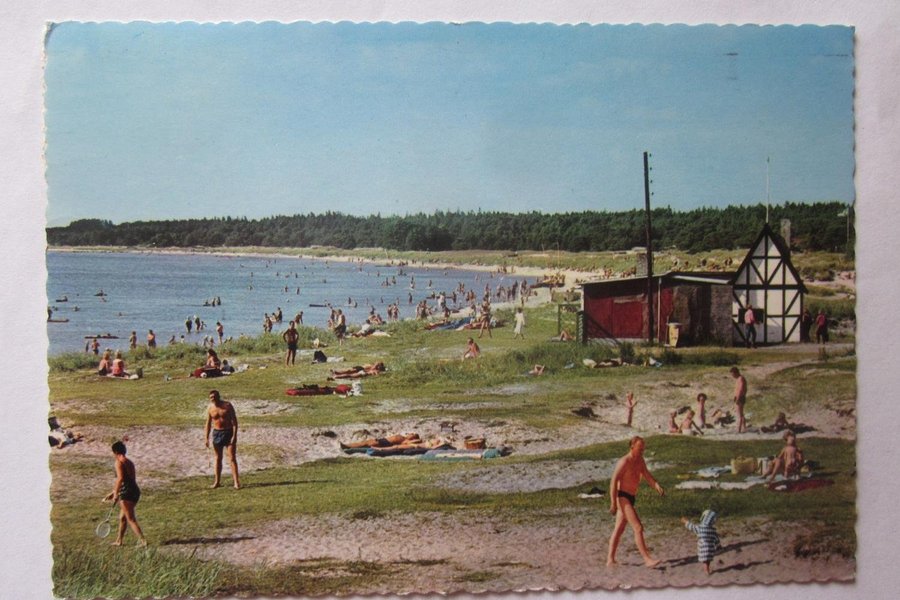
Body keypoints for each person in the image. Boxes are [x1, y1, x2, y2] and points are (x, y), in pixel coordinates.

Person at [607, 436, 665, 567]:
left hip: (631, 497)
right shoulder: (624, 461)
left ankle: (610, 560)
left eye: (643, 449)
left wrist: (656, 485)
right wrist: (613, 503)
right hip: (622, 497)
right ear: (632, 446)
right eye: (640, 448)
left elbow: (647, 475)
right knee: (638, 527)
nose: (641, 451)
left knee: (619, 529)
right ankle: (647, 559)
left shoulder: (640, 460)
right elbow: (614, 481)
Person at [103, 441, 147, 547]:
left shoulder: (118, 462)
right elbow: (129, 480)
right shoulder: (129, 462)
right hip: (135, 491)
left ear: (115, 452)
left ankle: (143, 541)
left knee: (130, 519)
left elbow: (120, 478)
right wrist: (114, 492)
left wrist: (116, 494)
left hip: (127, 493)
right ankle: (119, 541)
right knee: (122, 517)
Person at [204, 390, 240, 489]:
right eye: (211, 397)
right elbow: (208, 424)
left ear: (218, 396)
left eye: (214, 396)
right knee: (218, 458)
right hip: (217, 433)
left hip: (228, 432)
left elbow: (234, 422)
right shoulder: (210, 408)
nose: (213, 399)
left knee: (232, 458)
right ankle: (217, 482)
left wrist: (234, 436)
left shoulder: (227, 406)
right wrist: (206, 438)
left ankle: (236, 482)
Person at [681, 510, 721, 575]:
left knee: (705, 561)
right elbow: (716, 538)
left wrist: (685, 521)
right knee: (707, 561)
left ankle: (707, 571)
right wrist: (718, 545)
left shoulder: (700, 528)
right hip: (711, 549)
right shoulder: (713, 530)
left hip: (703, 548)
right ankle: (707, 569)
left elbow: (692, 527)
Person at [730, 366, 748, 433]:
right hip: (739, 397)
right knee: (741, 413)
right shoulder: (739, 379)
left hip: (740, 397)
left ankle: (739, 429)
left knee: (739, 414)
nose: (732, 376)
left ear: (736, 373)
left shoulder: (741, 378)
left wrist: (737, 398)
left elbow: (741, 389)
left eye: (733, 374)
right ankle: (744, 428)